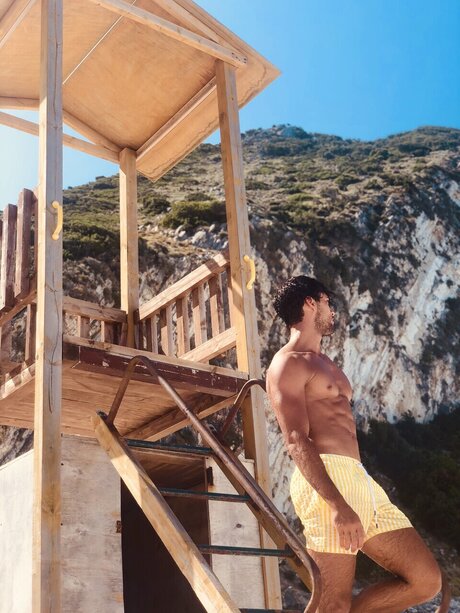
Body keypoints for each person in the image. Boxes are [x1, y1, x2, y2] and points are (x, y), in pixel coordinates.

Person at [266, 275, 448, 613]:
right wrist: (337, 504)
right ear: (310, 303)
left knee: (425, 580)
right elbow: (295, 439)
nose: (333, 310)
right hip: (327, 479)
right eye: (328, 302)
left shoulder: (326, 364)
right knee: (332, 604)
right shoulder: (288, 363)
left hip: (360, 478)